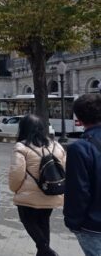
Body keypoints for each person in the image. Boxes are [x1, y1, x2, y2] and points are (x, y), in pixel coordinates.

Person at [9, 114, 65, 256]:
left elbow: (17, 173)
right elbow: (64, 167)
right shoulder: (56, 145)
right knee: (43, 221)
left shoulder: (22, 146)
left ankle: (46, 251)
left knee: (27, 220)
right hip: (52, 191)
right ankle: (43, 252)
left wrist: (15, 189)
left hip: (28, 197)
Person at [64, 93, 101, 256]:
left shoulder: (80, 148)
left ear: (79, 118)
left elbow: (78, 192)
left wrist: (74, 223)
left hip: (93, 226)